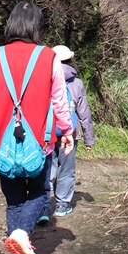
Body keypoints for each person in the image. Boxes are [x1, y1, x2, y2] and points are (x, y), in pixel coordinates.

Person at [0, 1, 74, 254]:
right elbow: (59, 101)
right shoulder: (48, 57)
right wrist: (67, 132)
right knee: (40, 192)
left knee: (15, 199)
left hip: (4, 142)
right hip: (39, 143)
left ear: (12, 24)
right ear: (36, 27)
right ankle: (20, 235)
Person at [39, 45, 95, 220]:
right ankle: (62, 205)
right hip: (70, 133)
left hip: (46, 133)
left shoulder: (42, 80)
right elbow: (84, 113)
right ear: (70, 60)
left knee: (47, 168)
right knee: (67, 169)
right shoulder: (77, 84)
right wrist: (89, 138)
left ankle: (43, 207)